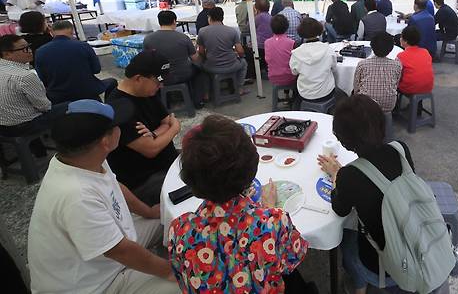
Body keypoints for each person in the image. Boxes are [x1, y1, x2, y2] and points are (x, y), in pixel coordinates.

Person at [27, 99, 179, 294]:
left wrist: (149, 211)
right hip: (93, 284)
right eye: (118, 125)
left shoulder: (82, 159)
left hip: (107, 255)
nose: (123, 128)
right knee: (188, 285)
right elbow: (121, 251)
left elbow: (114, 186)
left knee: (169, 218)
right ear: (106, 141)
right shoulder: (76, 196)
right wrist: (171, 272)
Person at [317, 95, 450, 294]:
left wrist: (336, 173)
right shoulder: (400, 149)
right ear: (381, 123)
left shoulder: (349, 175)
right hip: (424, 241)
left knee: (345, 237)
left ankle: (359, 286)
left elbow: (339, 209)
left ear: (345, 142)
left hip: (385, 268)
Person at [169, 115, 314, 293]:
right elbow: (295, 257)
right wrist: (266, 209)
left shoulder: (179, 229)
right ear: (250, 168)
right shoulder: (273, 222)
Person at [106, 51, 180, 205]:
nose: (161, 86)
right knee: (202, 186)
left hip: (167, 161)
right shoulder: (119, 107)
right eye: (158, 81)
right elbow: (151, 150)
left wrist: (153, 134)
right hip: (144, 179)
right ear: (138, 78)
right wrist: (174, 129)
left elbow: (166, 120)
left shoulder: (148, 92)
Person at [0, 34, 67, 137]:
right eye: (25, 49)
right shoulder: (25, 76)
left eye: (29, 46)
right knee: (73, 105)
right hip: (24, 126)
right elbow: (45, 107)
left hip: (3, 125)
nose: (30, 51)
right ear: (7, 54)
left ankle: (39, 150)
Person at [35, 20, 117, 104]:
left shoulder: (40, 51)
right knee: (112, 81)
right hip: (87, 91)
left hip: (58, 96)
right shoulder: (83, 46)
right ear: (72, 31)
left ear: (51, 33)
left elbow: (42, 78)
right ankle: (110, 107)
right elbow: (96, 69)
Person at [143, 10, 203, 108]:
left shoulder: (148, 39)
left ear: (159, 22)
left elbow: (147, 60)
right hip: (184, 74)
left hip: (161, 77)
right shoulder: (183, 38)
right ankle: (198, 101)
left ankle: (162, 103)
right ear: (174, 21)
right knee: (199, 71)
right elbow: (195, 58)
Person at [197, 7, 249, 95]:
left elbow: (201, 52)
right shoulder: (232, 31)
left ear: (209, 17)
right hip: (231, 65)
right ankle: (239, 87)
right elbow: (240, 51)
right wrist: (237, 55)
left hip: (211, 66)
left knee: (200, 66)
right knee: (243, 62)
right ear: (222, 17)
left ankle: (207, 92)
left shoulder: (202, 31)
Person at [289, 17, 339, 102]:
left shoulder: (296, 53)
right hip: (326, 92)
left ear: (301, 32)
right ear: (319, 30)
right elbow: (334, 68)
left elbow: (294, 72)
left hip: (305, 93)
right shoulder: (328, 49)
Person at [353, 32, 402, 113]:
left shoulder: (362, 64)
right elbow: (396, 84)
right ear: (391, 49)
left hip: (366, 104)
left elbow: (356, 86)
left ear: (371, 47)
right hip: (389, 104)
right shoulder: (397, 65)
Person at [397, 26, 433, 95]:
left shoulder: (401, 55)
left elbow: (397, 74)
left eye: (401, 37)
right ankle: (418, 104)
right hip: (428, 87)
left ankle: (397, 104)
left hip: (410, 88)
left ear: (406, 41)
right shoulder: (425, 51)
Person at [265, 14, 297, 87]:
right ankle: (292, 96)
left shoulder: (267, 42)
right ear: (287, 27)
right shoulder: (291, 42)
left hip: (272, 76)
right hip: (289, 76)